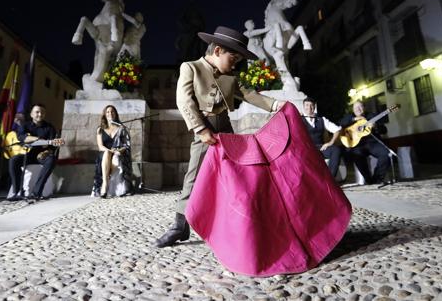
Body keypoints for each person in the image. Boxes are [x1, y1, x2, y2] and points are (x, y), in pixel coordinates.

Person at [154, 26, 286, 248]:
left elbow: (251, 95)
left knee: (235, 176)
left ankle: (240, 223)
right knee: (194, 177)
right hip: (204, 129)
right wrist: (201, 129)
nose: (235, 64)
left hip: (226, 130)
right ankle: (180, 226)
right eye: (233, 58)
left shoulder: (230, 77)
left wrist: (276, 105)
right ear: (216, 51)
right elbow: (184, 101)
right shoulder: (191, 68)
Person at [7, 104, 64, 201]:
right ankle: (17, 192)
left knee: (52, 159)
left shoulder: (50, 128)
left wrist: (46, 152)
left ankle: (37, 192)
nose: (40, 114)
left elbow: (52, 146)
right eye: (37, 112)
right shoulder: (25, 125)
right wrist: (38, 139)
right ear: (31, 114)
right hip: (28, 155)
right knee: (14, 160)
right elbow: (22, 138)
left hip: (41, 156)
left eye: (42, 112)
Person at [339, 100, 391, 185]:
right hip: (358, 145)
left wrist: (376, 127)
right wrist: (354, 118)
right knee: (356, 155)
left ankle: (377, 179)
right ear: (353, 109)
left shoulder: (371, 116)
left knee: (386, 154)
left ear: (364, 108)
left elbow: (384, 130)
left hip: (372, 143)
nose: (358, 109)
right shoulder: (349, 117)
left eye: (360, 107)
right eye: (356, 107)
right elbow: (340, 123)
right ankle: (368, 179)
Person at [92, 105, 132, 198]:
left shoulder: (121, 128)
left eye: (112, 111)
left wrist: (118, 151)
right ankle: (105, 184)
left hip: (118, 153)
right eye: (108, 112)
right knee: (106, 153)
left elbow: (126, 145)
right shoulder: (100, 129)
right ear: (105, 115)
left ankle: (108, 187)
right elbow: (100, 146)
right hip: (104, 153)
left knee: (116, 158)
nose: (110, 113)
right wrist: (110, 151)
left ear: (116, 114)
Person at [301, 97, 342, 179]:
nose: (309, 107)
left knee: (336, 150)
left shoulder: (321, 119)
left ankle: (330, 179)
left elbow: (337, 130)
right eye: (307, 105)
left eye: (311, 105)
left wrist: (330, 142)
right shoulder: (299, 120)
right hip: (307, 149)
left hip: (321, 147)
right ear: (303, 107)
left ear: (314, 107)